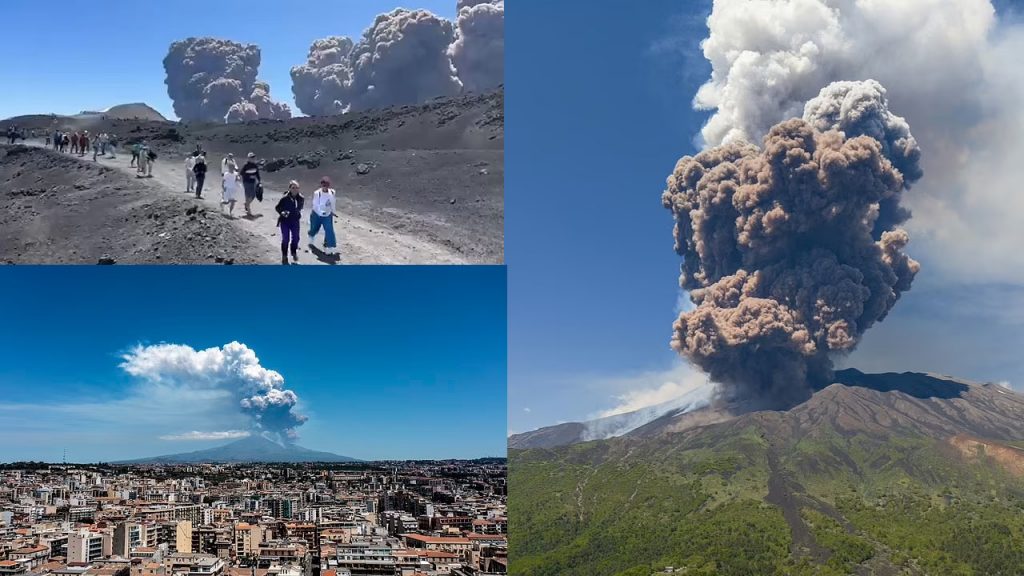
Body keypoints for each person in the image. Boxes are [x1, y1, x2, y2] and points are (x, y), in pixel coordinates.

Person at [276, 180, 304, 265]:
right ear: (289, 189)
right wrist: (283, 212)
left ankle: (293, 251)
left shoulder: (301, 198)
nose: (295, 189)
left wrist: (296, 212)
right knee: (286, 239)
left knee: (296, 238)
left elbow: (300, 207)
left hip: (295, 221)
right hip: (285, 221)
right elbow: (277, 207)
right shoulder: (284, 198)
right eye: (293, 188)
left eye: (296, 188)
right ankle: (284, 255)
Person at [309, 176, 338, 257]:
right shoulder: (317, 193)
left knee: (329, 230)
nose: (325, 187)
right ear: (321, 185)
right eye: (323, 185)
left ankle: (329, 247)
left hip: (327, 215)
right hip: (317, 214)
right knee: (314, 228)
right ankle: (311, 237)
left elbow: (333, 203)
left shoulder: (332, 192)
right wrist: (321, 212)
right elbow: (315, 205)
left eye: (326, 185)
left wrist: (333, 212)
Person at [240, 152, 261, 217]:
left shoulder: (255, 165)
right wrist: (249, 176)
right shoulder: (246, 165)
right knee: (247, 196)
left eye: (254, 157)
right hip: (246, 182)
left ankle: (246, 204)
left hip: (253, 182)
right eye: (252, 157)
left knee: (253, 195)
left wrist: (259, 181)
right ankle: (249, 212)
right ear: (248, 158)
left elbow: (257, 174)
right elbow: (241, 173)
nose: (253, 158)